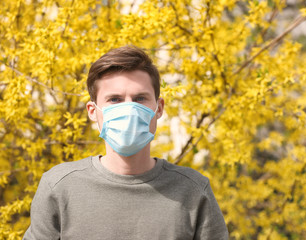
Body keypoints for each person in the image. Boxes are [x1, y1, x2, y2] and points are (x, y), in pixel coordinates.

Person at [23, 46, 229, 240]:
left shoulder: (193, 191)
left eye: (140, 99)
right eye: (114, 100)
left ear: (158, 108)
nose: (129, 109)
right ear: (93, 111)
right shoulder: (59, 187)